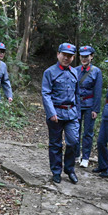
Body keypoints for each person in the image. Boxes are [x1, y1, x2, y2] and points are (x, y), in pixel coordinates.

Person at [42, 43, 80, 184]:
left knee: (73, 141)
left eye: (69, 56)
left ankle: (69, 169)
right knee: (55, 144)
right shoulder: (49, 72)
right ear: (58, 54)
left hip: (71, 113)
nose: (66, 58)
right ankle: (56, 171)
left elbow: (77, 94)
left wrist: (78, 114)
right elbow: (46, 94)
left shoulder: (74, 72)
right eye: (64, 55)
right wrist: (51, 112)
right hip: (56, 113)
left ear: (73, 57)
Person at [74, 45, 102, 168]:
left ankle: (85, 157)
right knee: (75, 130)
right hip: (77, 104)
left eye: (86, 56)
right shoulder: (75, 70)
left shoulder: (96, 71)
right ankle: (76, 155)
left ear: (91, 57)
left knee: (88, 132)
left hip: (89, 105)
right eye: (82, 56)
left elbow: (98, 91)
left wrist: (96, 109)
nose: (84, 59)